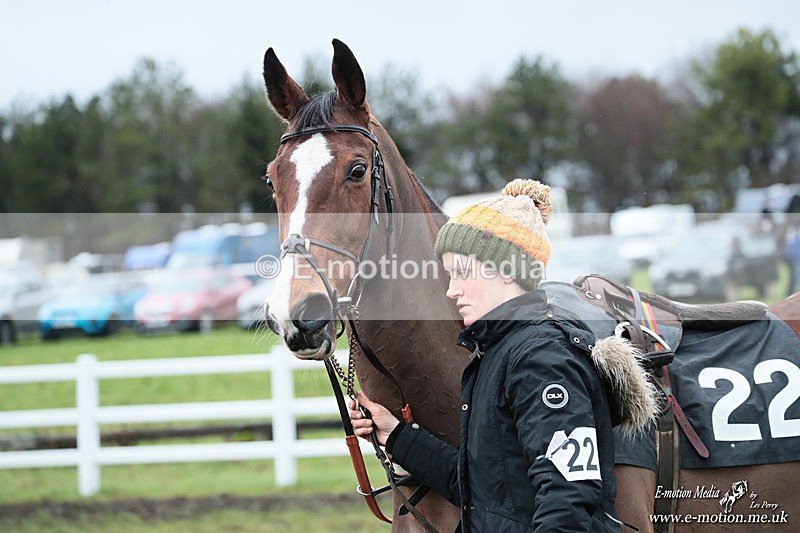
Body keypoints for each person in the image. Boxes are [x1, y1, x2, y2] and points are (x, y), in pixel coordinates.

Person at [349, 179, 657, 532]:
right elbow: (480, 489)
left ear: (506, 271)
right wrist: (396, 435)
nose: (452, 290)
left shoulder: (542, 359)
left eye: (462, 273)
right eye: (449, 276)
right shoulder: (495, 354)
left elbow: (568, 502)